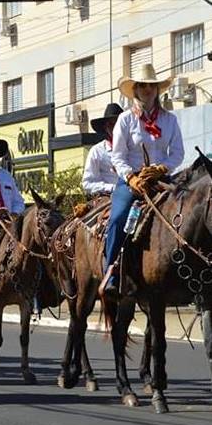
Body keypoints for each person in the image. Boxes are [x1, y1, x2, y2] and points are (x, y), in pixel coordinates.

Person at [102, 64, 184, 297]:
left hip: (161, 179)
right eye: (143, 85)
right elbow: (117, 155)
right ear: (135, 89)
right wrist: (131, 177)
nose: (148, 89)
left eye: (152, 86)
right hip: (131, 181)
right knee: (118, 217)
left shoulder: (170, 120)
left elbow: (177, 153)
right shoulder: (126, 120)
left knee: (189, 210)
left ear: (157, 90)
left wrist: (162, 168)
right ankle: (112, 272)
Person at [82, 103, 123, 197]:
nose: (115, 128)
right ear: (105, 127)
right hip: (109, 197)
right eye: (111, 124)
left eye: (118, 124)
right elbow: (88, 184)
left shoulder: (134, 148)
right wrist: (112, 188)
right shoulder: (97, 151)